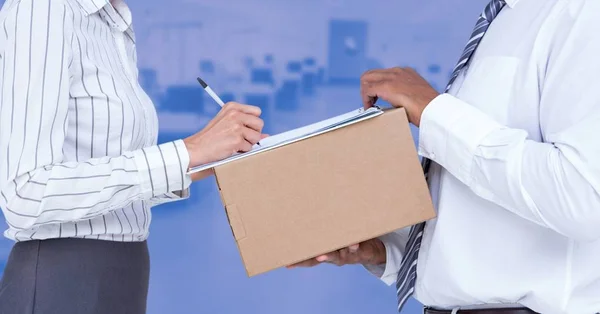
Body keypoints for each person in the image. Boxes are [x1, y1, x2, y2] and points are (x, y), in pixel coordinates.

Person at [291, 0, 600, 313]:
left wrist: (434, 113)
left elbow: (585, 196)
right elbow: (491, 221)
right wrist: (387, 250)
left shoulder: (584, 12)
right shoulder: (505, 18)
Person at [0, 0, 266, 313]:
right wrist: (187, 151)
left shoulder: (114, 25)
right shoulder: (42, 9)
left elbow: (110, 183)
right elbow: (24, 192)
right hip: (64, 281)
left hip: (127, 272)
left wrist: (201, 161)